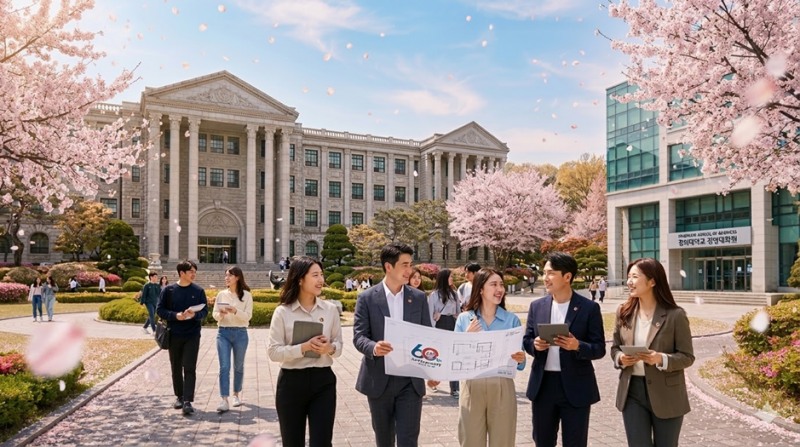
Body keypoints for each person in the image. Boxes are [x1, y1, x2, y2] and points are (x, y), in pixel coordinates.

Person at [523, 251, 606, 447]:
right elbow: (526, 339)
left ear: (567, 277)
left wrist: (578, 346)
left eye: (551, 273)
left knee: (575, 442)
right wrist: (534, 345)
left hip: (576, 387)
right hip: (543, 386)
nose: (545, 278)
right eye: (544, 273)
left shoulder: (589, 308)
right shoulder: (537, 306)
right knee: (542, 441)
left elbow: (599, 348)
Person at [353, 243, 432, 447]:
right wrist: (374, 347)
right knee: (384, 440)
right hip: (379, 381)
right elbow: (359, 336)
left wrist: (433, 370)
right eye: (404, 265)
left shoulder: (419, 298)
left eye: (411, 264)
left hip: (410, 382)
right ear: (389, 267)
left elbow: (428, 336)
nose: (410, 270)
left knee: (408, 440)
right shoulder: (367, 298)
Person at [612, 258, 695, 447]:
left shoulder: (675, 315)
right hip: (632, 391)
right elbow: (615, 347)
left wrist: (661, 358)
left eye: (635, 276)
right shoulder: (623, 312)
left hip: (667, 394)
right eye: (628, 277)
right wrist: (621, 359)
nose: (629, 282)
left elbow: (687, 356)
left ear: (652, 281)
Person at [268, 257, 342, 446]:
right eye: (315, 275)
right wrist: (304, 348)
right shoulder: (283, 312)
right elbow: (273, 352)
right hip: (291, 383)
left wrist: (329, 348)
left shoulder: (331, 310)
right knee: (292, 442)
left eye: (321, 275)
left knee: (322, 442)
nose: (320, 280)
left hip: (323, 382)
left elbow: (338, 346)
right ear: (300, 279)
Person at [455, 268, 526, 447]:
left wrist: (520, 358)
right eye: (493, 284)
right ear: (480, 289)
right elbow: (455, 356)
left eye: (501, 284)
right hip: (472, 386)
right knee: (470, 441)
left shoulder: (512, 320)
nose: (500, 289)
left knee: (503, 441)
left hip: (502, 386)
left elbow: (521, 364)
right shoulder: (465, 319)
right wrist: (467, 337)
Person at [156, 260, 208, 416]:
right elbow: (160, 310)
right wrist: (175, 316)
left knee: (190, 367)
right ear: (181, 273)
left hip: (192, 334)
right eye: (191, 271)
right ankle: (179, 396)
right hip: (174, 333)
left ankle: (187, 401)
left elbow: (205, 312)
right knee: (176, 366)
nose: (193, 274)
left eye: (194, 272)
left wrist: (195, 314)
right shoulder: (169, 290)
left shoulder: (198, 290)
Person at [214, 266, 253, 413]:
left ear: (237, 277)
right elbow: (214, 314)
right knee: (224, 367)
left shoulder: (247, 296)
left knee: (238, 366)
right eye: (225, 276)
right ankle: (224, 399)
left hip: (240, 333)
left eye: (229, 276)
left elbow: (248, 317)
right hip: (223, 333)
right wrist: (222, 314)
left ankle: (236, 394)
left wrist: (235, 310)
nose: (226, 278)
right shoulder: (221, 294)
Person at [427, 268, 461, 398]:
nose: (452, 278)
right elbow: (430, 314)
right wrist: (432, 329)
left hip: (451, 323)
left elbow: (458, 312)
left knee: (453, 357)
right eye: (450, 276)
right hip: (439, 325)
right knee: (437, 356)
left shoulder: (454, 294)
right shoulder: (434, 295)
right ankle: (433, 381)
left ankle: (455, 388)